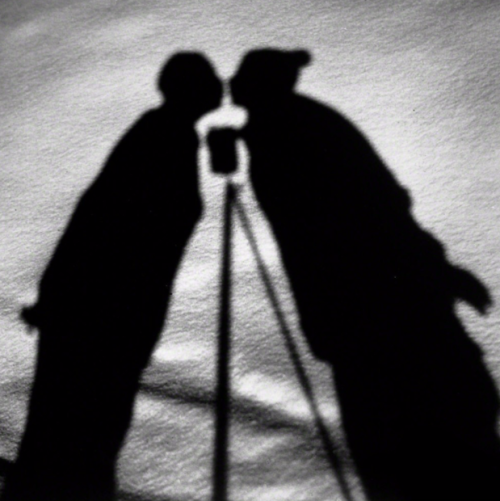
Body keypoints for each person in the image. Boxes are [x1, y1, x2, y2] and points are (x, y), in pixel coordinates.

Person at [231, 48, 500, 501]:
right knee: (444, 439)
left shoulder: (285, 131)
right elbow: (380, 212)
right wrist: (439, 272)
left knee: (413, 448)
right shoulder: (301, 126)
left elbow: (376, 213)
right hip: (390, 312)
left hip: (364, 320)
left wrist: (438, 273)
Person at [2, 52, 223, 501]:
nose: (221, 88)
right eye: (210, 81)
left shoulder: (167, 134)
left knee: (69, 434)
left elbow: (93, 215)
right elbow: (104, 223)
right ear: (191, 89)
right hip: (104, 317)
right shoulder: (166, 137)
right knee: (79, 438)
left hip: (98, 313)